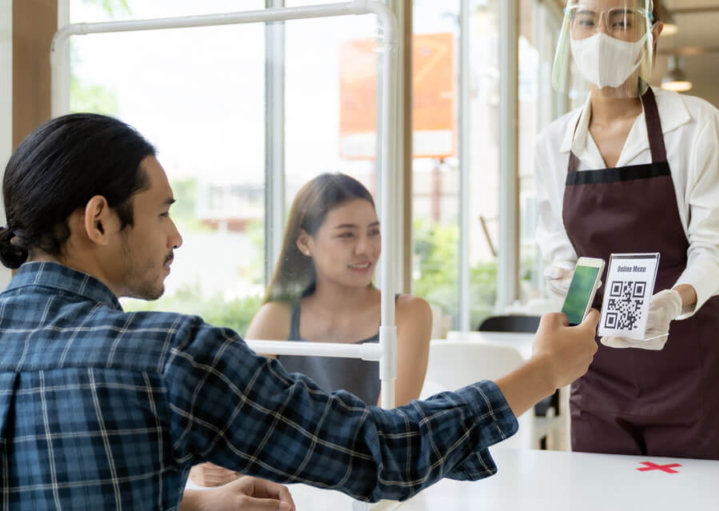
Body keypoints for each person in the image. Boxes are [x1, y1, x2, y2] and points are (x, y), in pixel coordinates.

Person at [0, 113, 599, 509]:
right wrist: (545, 370)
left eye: (373, 232)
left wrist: (190, 503)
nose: (177, 236)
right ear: (99, 219)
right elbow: (385, 449)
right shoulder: (168, 356)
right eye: (162, 212)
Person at [534, 0, 719, 461]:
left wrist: (673, 302)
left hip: (694, 364)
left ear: (651, 35)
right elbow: (559, 252)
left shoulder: (694, 124)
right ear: (570, 32)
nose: (601, 37)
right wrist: (568, 288)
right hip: (596, 364)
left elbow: (714, 248)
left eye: (622, 21)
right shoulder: (552, 144)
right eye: (587, 21)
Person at [192, 173, 432, 487]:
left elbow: (385, 437)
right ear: (305, 242)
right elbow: (230, 421)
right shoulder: (275, 317)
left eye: (374, 232)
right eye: (347, 235)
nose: (366, 248)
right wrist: (203, 462)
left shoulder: (409, 314)